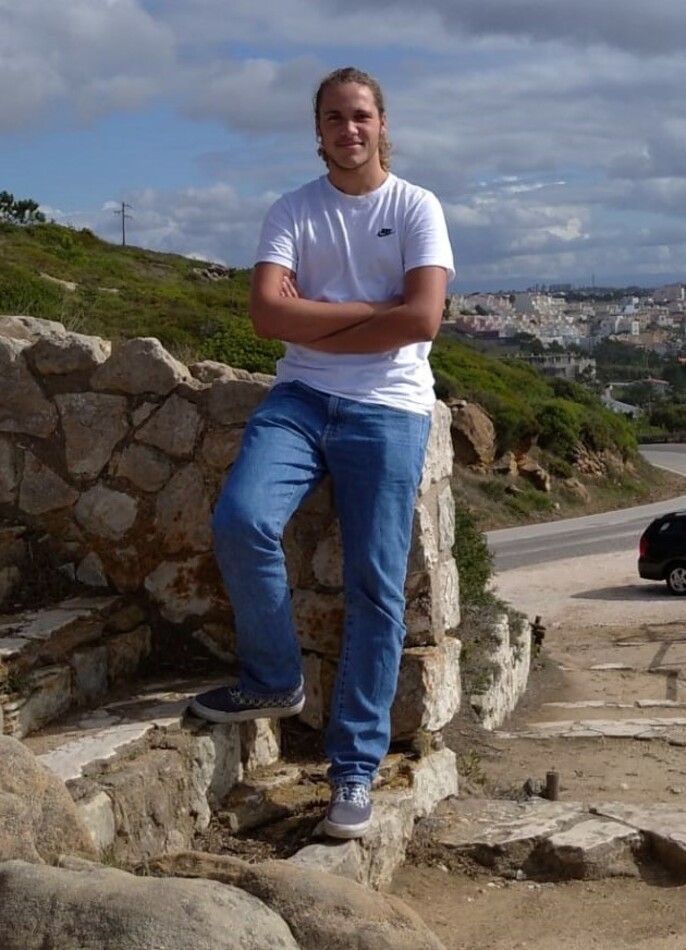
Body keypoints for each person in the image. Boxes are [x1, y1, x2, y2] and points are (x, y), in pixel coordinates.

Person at [190, 66, 455, 839]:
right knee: (242, 520)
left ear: (382, 123)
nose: (349, 129)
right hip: (300, 400)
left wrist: (319, 316)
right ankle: (274, 679)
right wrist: (372, 312)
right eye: (335, 117)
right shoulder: (292, 210)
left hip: (390, 408)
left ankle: (353, 768)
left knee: (375, 586)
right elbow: (266, 316)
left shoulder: (416, 207)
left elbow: (422, 320)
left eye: (361, 115)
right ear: (318, 129)